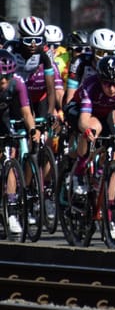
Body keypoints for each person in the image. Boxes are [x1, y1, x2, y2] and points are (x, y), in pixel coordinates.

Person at [65, 55, 115, 241]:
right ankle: (80, 172)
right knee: (93, 128)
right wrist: (87, 130)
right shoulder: (91, 86)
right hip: (79, 110)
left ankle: (110, 215)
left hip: (106, 113)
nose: (112, 88)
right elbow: (83, 121)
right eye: (107, 84)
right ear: (100, 80)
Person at [0, 49, 41, 234]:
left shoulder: (18, 83)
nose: (3, 82)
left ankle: (12, 212)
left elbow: (26, 112)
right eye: (1, 79)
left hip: (9, 111)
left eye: (6, 78)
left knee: (9, 157)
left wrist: (33, 130)